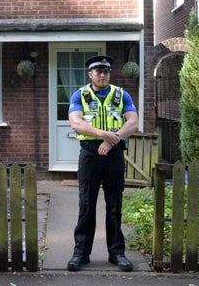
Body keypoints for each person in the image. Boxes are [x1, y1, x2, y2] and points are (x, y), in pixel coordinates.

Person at [66, 55, 139, 272]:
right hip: (89, 154)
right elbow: (76, 123)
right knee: (86, 204)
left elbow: (133, 122)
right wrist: (102, 134)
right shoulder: (80, 95)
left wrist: (111, 140)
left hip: (114, 154)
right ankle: (81, 253)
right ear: (90, 74)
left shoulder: (121, 94)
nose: (102, 74)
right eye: (98, 71)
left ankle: (117, 253)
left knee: (115, 204)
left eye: (106, 71)